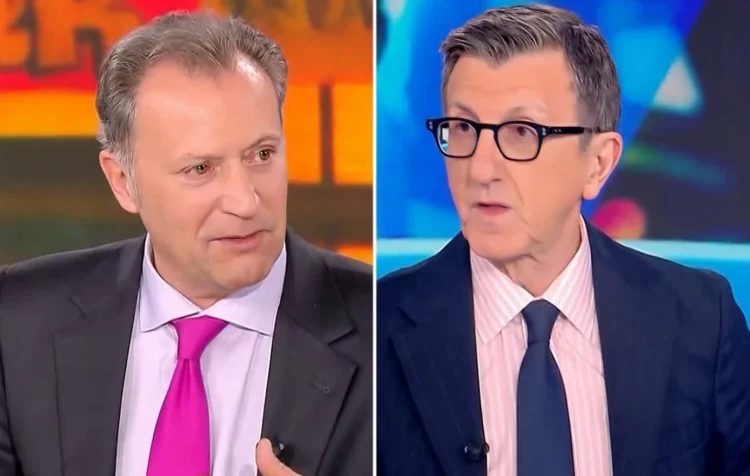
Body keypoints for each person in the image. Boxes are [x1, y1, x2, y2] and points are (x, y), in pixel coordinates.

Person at [377, 5, 750, 476]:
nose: (481, 169)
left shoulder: (702, 321)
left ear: (598, 163)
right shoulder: (378, 329)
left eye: (522, 132)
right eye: (464, 128)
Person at [0, 11, 372, 476]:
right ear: (123, 182)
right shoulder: (18, 324)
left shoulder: (383, 331)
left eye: (261, 154)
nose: (245, 201)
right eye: (201, 168)